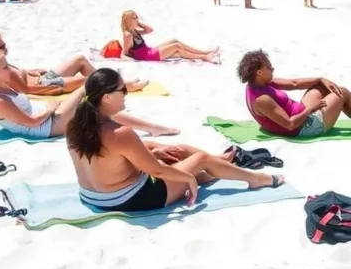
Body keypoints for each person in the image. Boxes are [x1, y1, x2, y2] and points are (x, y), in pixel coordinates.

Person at [67, 69, 282, 212]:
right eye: (122, 90)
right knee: (200, 159)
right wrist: (188, 178)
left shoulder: (75, 125)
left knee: (161, 149)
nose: (127, 93)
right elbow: (157, 172)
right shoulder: (121, 133)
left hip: (91, 196)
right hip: (129, 199)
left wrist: (154, 153)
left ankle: (220, 162)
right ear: (106, 97)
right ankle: (256, 179)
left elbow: (108, 158)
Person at [0, 51, 174, 138]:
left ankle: (152, 127)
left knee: (94, 106)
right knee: (87, 91)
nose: (10, 70)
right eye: (4, 67)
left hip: (45, 118)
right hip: (44, 127)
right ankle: (151, 125)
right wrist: (50, 107)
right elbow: (30, 122)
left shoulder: (1, 86)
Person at [236, 49, 351, 138]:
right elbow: (289, 124)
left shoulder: (262, 83)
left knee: (325, 87)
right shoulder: (262, 99)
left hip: (302, 112)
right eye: (269, 67)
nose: (272, 69)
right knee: (342, 93)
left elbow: (294, 83)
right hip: (304, 127)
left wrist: (321, 79)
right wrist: (311, 109)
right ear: (258, 72)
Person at [0, 31, 147, 94]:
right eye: (2, 46)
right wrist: (57, 87)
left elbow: (21, 78)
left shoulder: (1, 64)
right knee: (84, 81)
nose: (6, 47)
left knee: (79, 59)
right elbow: (27, 89)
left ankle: (108, 79)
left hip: (42, 77)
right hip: (47, 83)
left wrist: (31, 71)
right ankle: (123, 87)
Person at [120, 10, 220, 63]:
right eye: (134, 18)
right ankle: (204, 56)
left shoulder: (133, 31)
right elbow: (125, 52)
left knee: (175, 42)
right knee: (176, 47)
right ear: (128, 20)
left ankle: (205, 53)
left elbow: (149, 30)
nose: (137, 19)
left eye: (137, 17)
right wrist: (132, 61)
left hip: (148, 51)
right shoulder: (128, 34)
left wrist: (139, 23)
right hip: (147, 56)